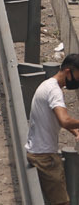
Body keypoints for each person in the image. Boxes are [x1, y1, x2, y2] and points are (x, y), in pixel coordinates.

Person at [27, 52, 79, 204]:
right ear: (68, 71)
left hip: (39, 153)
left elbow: (59, 119)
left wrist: (75, 131)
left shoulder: (48, 85)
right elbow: (64, 120)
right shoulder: (54, 91)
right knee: (62, 202)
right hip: (44, 158)